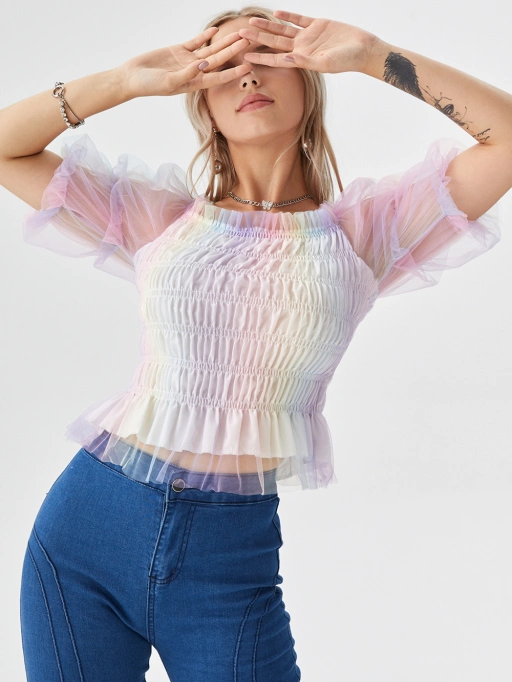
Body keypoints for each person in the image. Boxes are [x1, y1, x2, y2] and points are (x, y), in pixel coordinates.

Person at [0, 5, 509, 681]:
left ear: (309, 80)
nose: (248, 75)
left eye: (268, 55)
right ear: (203, 103)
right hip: (88, 529)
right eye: (225, 63)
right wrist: (124, 81)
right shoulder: (162, 219)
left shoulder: (366, 231)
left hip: (227, 558)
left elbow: (506, 138)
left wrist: (371, 55)